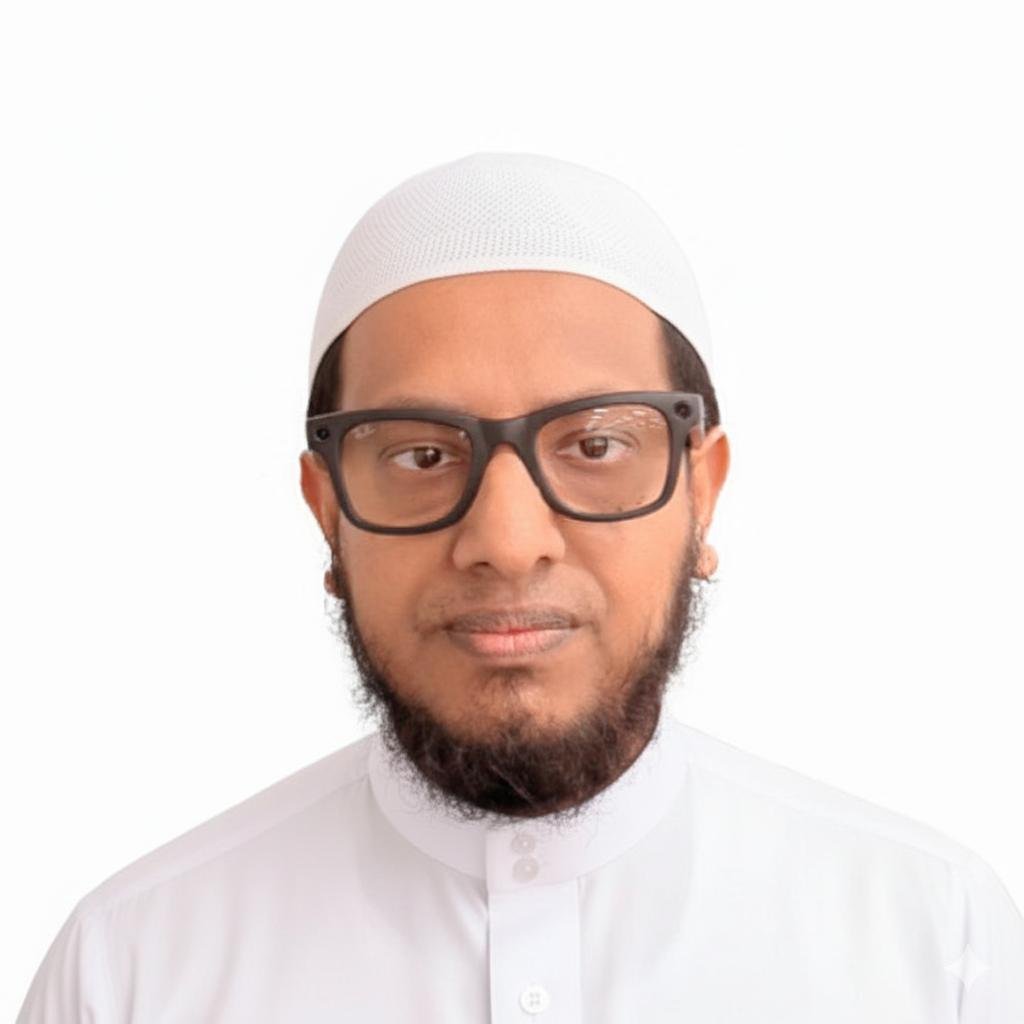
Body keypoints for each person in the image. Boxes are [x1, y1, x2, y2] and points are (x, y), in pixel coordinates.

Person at [17, 151, 1024, 1022]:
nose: (505, 542)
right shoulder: (131, 971)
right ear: (326, 510)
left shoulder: (935, 942)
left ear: (701, 492)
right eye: (420, 455)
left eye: (595, 444)